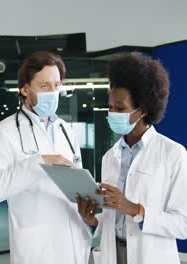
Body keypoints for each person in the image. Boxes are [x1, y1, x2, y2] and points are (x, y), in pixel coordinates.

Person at [0, 51, 92, 263]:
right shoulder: (4, 132)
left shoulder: (66, 131)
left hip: (73, 243)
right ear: (25, 89)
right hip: (36, 248)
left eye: (57, 85)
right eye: (44, 86)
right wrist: (39, 162)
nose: (53, 92)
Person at [77, 53, 187, 264]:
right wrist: (92, 219)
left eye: (120, 108)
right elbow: (112, 218)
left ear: (143, 110)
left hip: (150, 256)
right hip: (113, 254)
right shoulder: (110, 156)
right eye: (110, 107)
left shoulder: (173, 154)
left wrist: (136, 209)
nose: (112, 113)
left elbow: (183, 224)